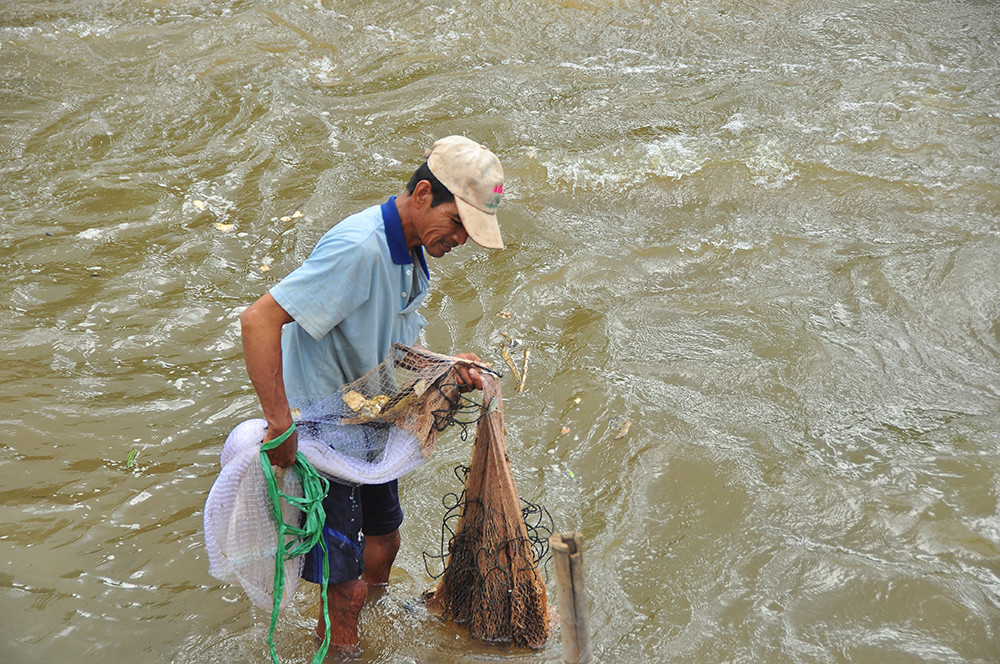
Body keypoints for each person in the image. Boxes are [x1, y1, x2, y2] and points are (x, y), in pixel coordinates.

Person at [238, 135, 505, 650]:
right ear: (424, 194)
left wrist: (448, 366)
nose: (460, 241)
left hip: (369, 419)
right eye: (458, 224)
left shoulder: (410, 250)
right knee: (347, 581)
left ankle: (362, 626)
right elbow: (259, 320)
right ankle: (343, 645)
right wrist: (279, 425)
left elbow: (392, 343)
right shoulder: (360, 248)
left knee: (385, 541)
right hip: (324, 429)